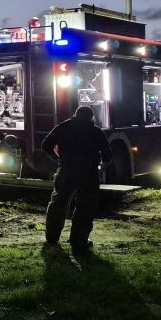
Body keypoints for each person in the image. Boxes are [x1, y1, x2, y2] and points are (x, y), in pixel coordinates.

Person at [42, 105, 113, 252]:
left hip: (66, 171)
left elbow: (45, 145)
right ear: (91, 118)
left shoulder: (63, 127)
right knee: (85, 207)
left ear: (75, 114)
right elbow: (108, 155)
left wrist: (59, 159)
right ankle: (79, 240)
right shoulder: (96, 132)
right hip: (89, 173)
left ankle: (52, 237)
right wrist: (102, 166)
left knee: (58, 204)